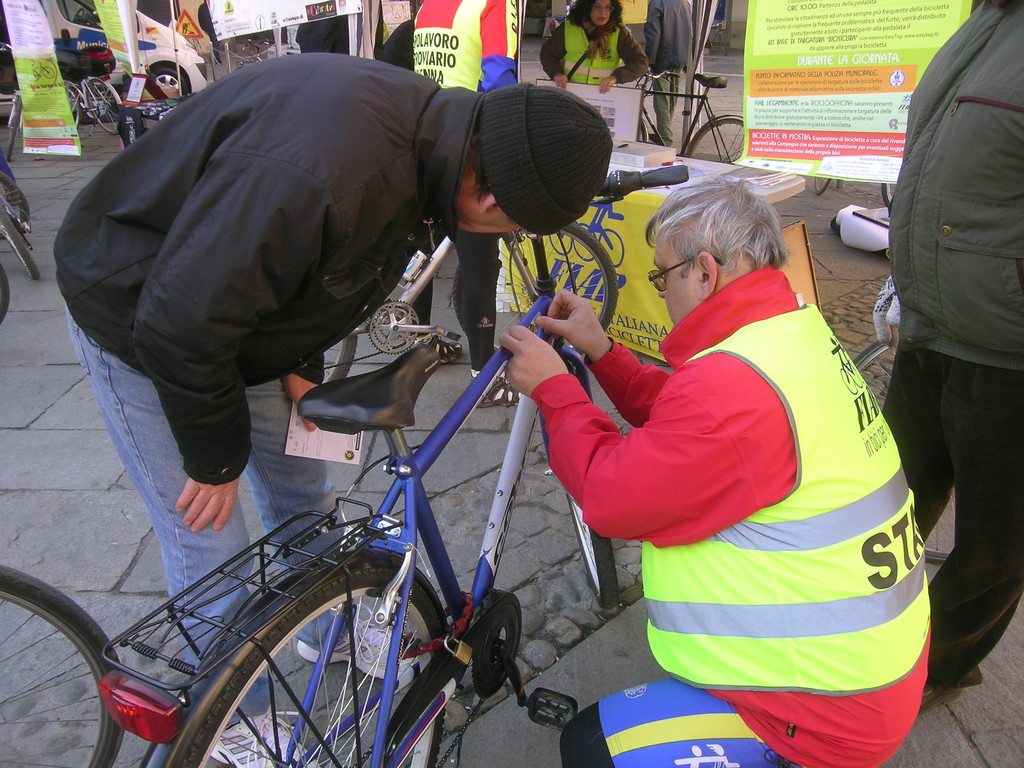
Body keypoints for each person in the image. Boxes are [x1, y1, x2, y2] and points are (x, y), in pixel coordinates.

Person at [54, 54, 611, 759]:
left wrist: (294, 364)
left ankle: (322, 622)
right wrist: (216, 456)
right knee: (211, 550)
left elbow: (299, 266)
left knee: (300, 489)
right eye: (515, 230)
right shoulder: (329, 167)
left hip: (230, 313)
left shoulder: (434, 136)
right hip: (137, 313)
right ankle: (238, 730)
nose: (503, 241)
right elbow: (180, 321)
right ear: (492, 197)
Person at [499, 178, 929, 768]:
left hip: (822, 712)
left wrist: (555, 388)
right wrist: (603, 350)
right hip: (871, 668)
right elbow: (695, 427)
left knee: (591, 749)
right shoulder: (791, 331)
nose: (660, 290)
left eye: (661, 275)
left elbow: (609, 495)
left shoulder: (735, 385)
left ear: (703, 272)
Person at [885, 0, 1024, 713]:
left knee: (999, 542)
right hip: (932, 322)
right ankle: (862, 634)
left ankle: (935, 666)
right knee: (887, 497)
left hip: (1008, 349)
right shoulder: (986, 17)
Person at [410, 0, 522, 404]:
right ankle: (484, 374)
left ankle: (421, 348)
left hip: (424, 138)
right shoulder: (493, 3)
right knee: (480, 263)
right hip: (465, 147)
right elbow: (498, 79)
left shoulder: (428, 6)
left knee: (425, 254)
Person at [540, 0, 648, 94]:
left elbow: (640, 62)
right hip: (572, 95)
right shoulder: (568, 29)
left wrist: (616, 77)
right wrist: (557, 73)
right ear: (587, 7)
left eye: (608, 7)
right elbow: (548, 54)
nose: (603, 13)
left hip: (605, 99)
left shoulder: (619, 33)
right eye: (597, 7)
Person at [643, 0, 691, 147]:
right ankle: (665, 134)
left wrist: (649, 60)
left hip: (663, 58)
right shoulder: (685, 3)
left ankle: (665, 138)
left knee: (662, 100)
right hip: (680, 57)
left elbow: (653, 34)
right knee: (672, 99)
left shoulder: (657, 3)